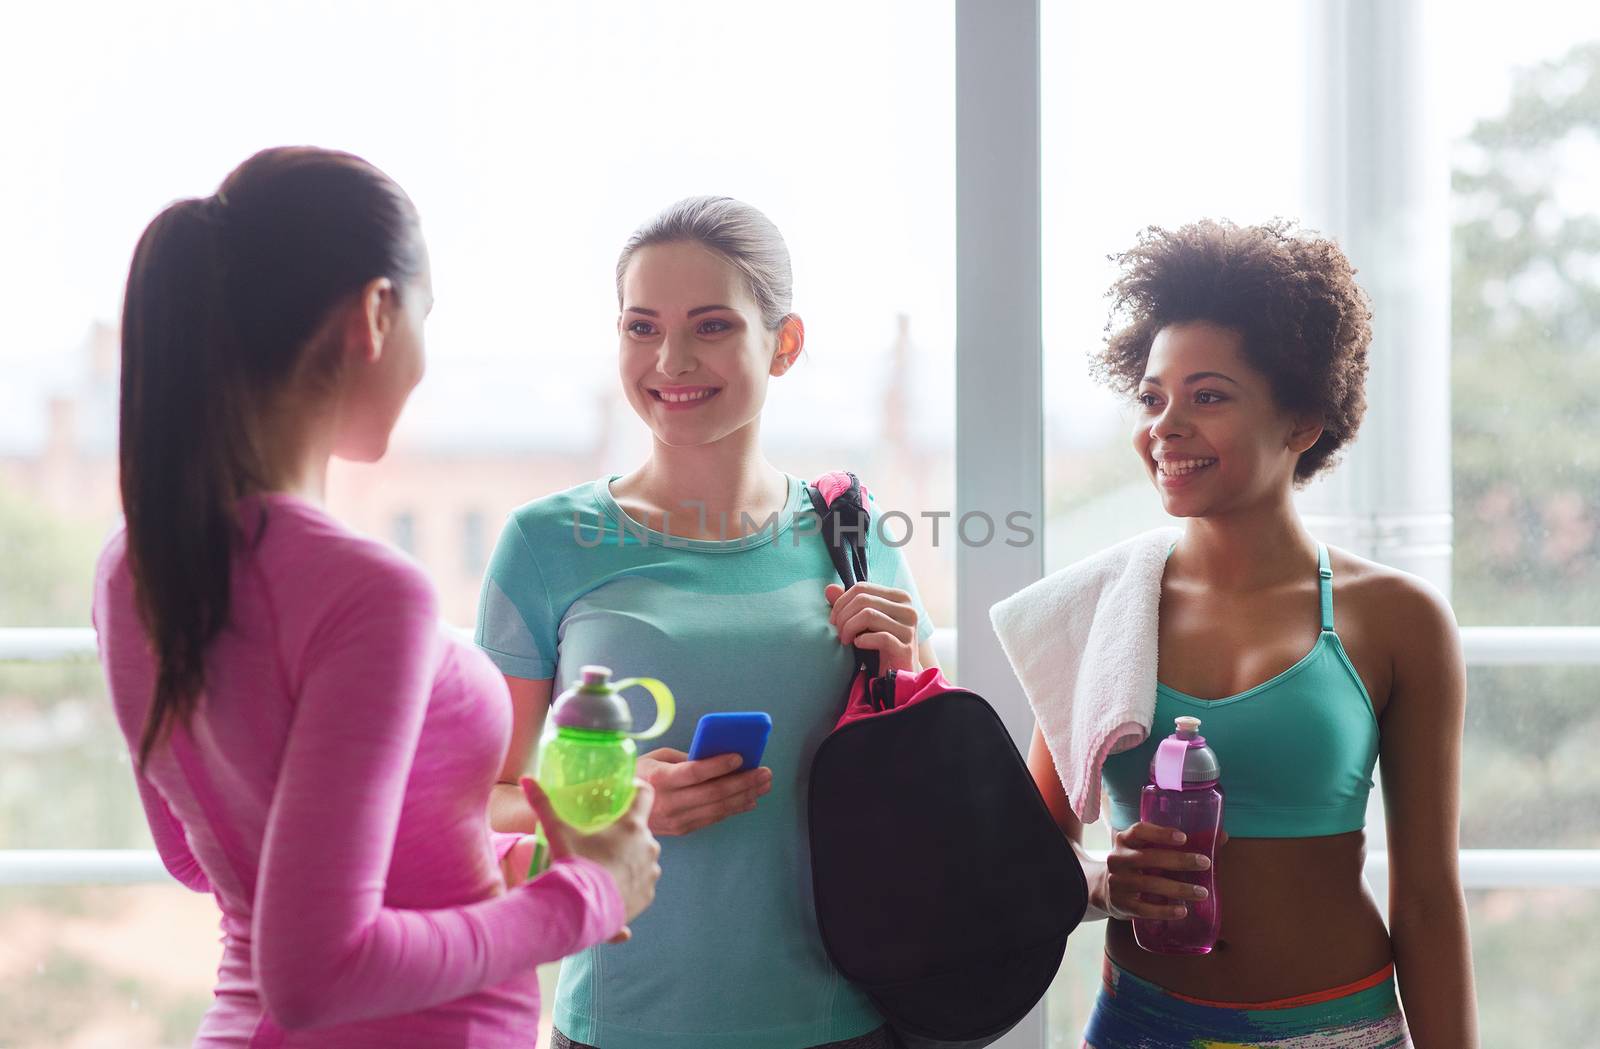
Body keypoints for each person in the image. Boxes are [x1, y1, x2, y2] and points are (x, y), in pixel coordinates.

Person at [93, 146, 660, 1048]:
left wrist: (500, 862)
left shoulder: (133, 565)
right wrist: (584, 896)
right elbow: (319, 970)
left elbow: (213, 851)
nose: (425, 360)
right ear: (375, 312)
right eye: (426, 314)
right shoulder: (367, 592)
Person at [476, 196, 937, 1049]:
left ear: (784, 343)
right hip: (620, 1025)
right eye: (641, 327)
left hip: (843, 1020)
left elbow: (930, 796)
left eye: (713, 325)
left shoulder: (856, 539)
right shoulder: (545, 545)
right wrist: (614, 804)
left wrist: (907, 664)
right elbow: (478, 802)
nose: (671, 359)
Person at [1002, 220, 1476, 1047]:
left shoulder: (1397, 619)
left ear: (1301, 417)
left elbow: (1429, 898)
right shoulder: (1099, 610)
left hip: (1337, 1029)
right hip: (1140, 1025)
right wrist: (1107, 880)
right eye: (1153, 397)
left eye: (1208, 395)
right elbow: (1031, 862)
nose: (1165, 426)